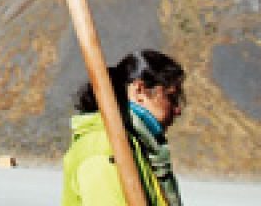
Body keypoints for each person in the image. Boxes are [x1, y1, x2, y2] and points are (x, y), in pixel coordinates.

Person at [61, 49, 186, 206]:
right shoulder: (103, 150)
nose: (177, 110)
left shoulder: (139, 147)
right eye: (172, 97)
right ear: (139, 90)